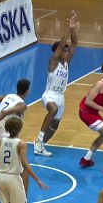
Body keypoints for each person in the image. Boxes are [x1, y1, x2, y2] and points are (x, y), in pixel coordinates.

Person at [33, 10, 78, 157]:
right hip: (49, 95)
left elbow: (75, 44)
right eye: (64, 50)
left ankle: (41, 146)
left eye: (67, 50)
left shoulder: (67, 63)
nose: (67, 52)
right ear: (58, 52)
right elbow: (62, 45)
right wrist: (67, 27)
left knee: (56, 124)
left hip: (61, 96)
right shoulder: (53, 62)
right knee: (52, 110)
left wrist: (73, 29)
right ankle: (39, 137)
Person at [0, 117, 48, 203]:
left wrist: (1, 170)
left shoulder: (0, 141)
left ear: (6, 128)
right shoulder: (21, 144)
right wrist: (37, 180)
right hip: (14, 179)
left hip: (1, 178)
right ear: (20, 129)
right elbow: (25, 164)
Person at [79, 61, 103, 176]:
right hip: (85, 112)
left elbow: (102, 102)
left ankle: (86, 159)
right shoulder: (100, 84)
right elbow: (88, 101)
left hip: (93, 112)